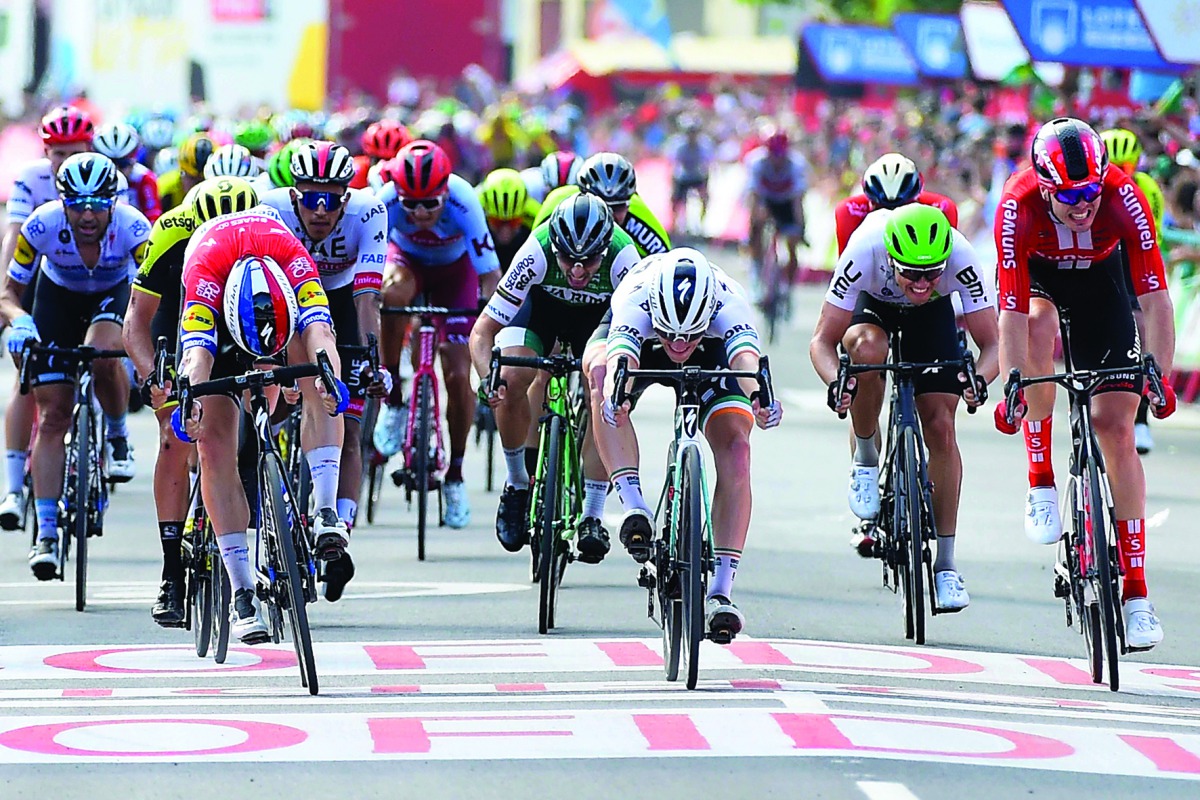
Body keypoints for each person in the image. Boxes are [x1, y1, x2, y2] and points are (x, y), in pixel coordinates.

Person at [992, 117, 1175, 650]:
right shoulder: (1016, 204)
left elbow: (1156, 298)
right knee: (1037, 326)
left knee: (1114, 427)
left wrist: (1159, 378)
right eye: (1071, 195)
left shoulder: (1123, 196)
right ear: (1045, 186)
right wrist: (1013, 387)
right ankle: (1042, 479)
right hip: (1040, 280)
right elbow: (1009, 312)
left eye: (1092, 189)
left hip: (1102, 280)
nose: (1085, 203)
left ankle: (1137, 593)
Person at [810, 204, 999, 611]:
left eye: (932, 273)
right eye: (911, 273)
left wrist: (979, 380)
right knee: (867, 350)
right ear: (890, 256)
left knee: (941, 425)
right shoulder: (864, 249)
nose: (921, 281)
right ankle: (864, 458)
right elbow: (822, 342)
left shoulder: (961, 257)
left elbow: (994, 344)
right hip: (874, 308)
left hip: (932, 317)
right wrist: (835, 384)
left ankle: (946, 565)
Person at [170, 209, 348, 642]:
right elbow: (196, 359)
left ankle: (326, 511)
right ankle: (241, 591)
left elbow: (322, 335)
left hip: (277, 301)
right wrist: (189, 402)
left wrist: (332, 382)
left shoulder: (292, 254)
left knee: (317, 375)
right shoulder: (204, 269)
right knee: (215, 444)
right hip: (217, 315)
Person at [595, 248, 783, 639]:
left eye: (688, 335)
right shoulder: (636, 298)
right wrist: (618, 395)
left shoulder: (727, 302)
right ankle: (635, 506)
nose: (679, 345)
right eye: (671, 335)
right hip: (644, 348)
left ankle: (721, 592)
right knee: (602, 382)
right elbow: (619, 363)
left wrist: (760, 398)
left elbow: (746, 361)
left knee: (738, 449)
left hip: (714, 353)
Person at [0, 154, 150, 578]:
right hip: (56, 300)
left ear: (114, 202)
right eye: (77, 203)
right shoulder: (41, 225)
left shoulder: (135, 228)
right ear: (61, 200)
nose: (87, 214)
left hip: (113, 295)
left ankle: (118, 436)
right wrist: (19, 320)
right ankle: (46, 532)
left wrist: (146, 346)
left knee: (103, 353)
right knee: (52, 417)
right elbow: (9, 292)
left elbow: (155, 295)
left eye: (98, 204)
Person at [471, 194, 638, 558]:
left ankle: (593, 513)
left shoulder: (625, 258)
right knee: (512, 377)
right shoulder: (537, 250)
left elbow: (637, 336)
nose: (577, 272)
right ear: (555, 247)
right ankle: (517, 483)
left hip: (598, 320)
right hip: (540, 313)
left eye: (589, 261)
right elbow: (482, 332)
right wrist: (489, 379)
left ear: (605, 249)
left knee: (604, 391)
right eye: (568, 260)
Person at [124, 176, 259, 625]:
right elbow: (136, 323)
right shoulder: (169, 231)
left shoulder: (265, 232)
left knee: (222, 442)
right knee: (173, 436)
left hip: (235, 312)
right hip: (177, 312)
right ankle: (171, 571)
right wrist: (151, 380)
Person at [258, 140, 389, 600]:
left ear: (346, 198)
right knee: (276, 398)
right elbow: (263, 294)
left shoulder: (369, 212)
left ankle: (336, 526)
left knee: (348, 423)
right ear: (293, 196)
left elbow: (368, 297)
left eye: (330, 199)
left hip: (341, 295)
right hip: (285, 297)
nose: (319, 209)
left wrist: (373, 357)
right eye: (310, 197)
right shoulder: (268, 206)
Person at [374, 140, 502, 528]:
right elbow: (369, 269)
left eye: (430, 203)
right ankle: (393, 395)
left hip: (454, 274)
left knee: (460, 375)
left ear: (446, 191)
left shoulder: (465, 199)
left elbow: (490, 277)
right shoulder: (385, 201)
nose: (419, 212)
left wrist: (488, 327)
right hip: (406, 264)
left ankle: (456, 474)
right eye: (410, 203)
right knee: (390, 295)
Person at [0, 106, 97, 530]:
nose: (63, 163)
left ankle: (108, 436)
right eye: (56, 154)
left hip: (95, 278)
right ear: (45, 152)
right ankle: (14, 487)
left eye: (72, 152)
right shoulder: (31, 179)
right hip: (39, 278)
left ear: (89, 149)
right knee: (29, 378)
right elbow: (13, 235)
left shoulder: (104, 177)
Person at [1101, 127, 1166, 456]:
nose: (1120, 177)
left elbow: (1147, 242)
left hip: (1130, 255)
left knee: (1141, 326)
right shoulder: (1087, 189)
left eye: (1126, 169)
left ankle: (1141, 416)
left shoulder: (1148, 188)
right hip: (1098, 254)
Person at [534, 152, 670, 258]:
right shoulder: (557, 203)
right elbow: (533, 253)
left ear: (629, 204)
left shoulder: (640, 217)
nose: (609, 214)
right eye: (600, 205)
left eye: (617, 207)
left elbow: (661, 270)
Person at [834, 153, 958, 254]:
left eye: (902, 208)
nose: (889, 216)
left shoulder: (942, 208)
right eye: (882, 209)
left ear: (917, 197)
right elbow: (846, 269)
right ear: (869, 200)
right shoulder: (848, 210)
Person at [745, 128, 808, 287]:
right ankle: (756, 266)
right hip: (766, 200)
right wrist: (753, 225)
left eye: (781, 154)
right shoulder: (755, 162)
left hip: (787, 202)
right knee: (757, 226)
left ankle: (789, 283)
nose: (777, 159)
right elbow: (753, 196)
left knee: (792, 242)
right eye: (773, 154)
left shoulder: (797, 164)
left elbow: (797, 201)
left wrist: (800, 229)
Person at [94, 122, 162, 223]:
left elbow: (153, 219)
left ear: (134, 161)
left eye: (123, 164)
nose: (116, 172)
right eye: (109, 164)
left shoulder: (145, 179)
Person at [477, 167, 541, 272]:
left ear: (523, 213)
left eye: (513, 222)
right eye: (497, 222)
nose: (505, 232)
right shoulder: (475, 208)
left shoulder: (536, 214)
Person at [665, 115, 715, 238]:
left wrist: (706, 184)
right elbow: (673, 163)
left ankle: (701, 225)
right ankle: (675, 226)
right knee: (676, 200)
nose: (691, 136)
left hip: (698, 174)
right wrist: (672, 183)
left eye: (694, 133)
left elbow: (708, 163)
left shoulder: (705, 144)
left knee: (705, 198)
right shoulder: (678, 144)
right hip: (683, 175)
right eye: (689, 133)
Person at [157, 133, 214, 212]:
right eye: (191, 178)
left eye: (203, 180)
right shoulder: (165, 188)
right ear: (181, 172)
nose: (197, 186)